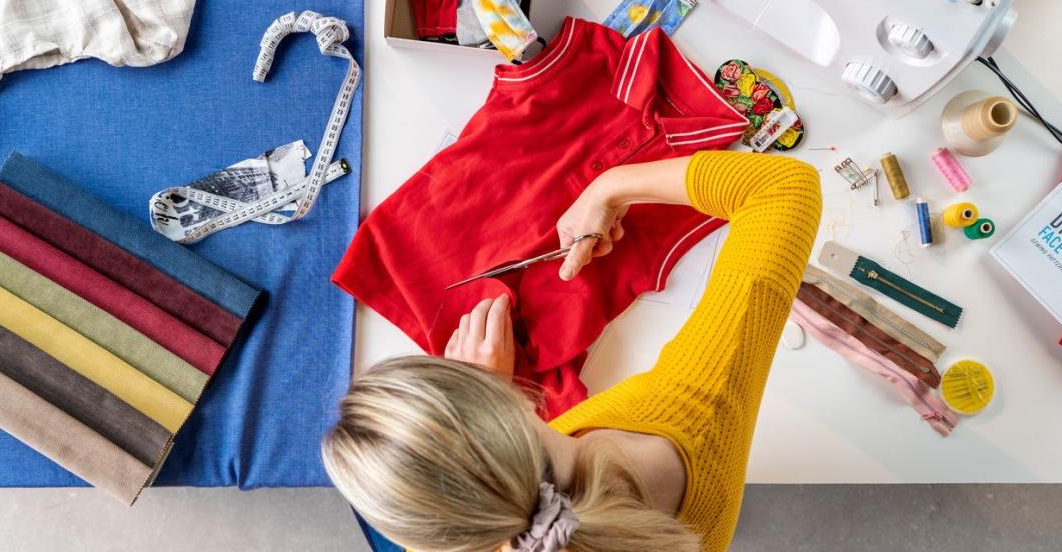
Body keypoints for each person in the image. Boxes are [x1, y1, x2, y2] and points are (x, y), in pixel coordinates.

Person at [322, 151, 822, 552]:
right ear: (512, 406)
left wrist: (489, 400)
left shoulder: (485, 527)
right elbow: (783, 190)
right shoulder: (699, 405)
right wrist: (611, 186)